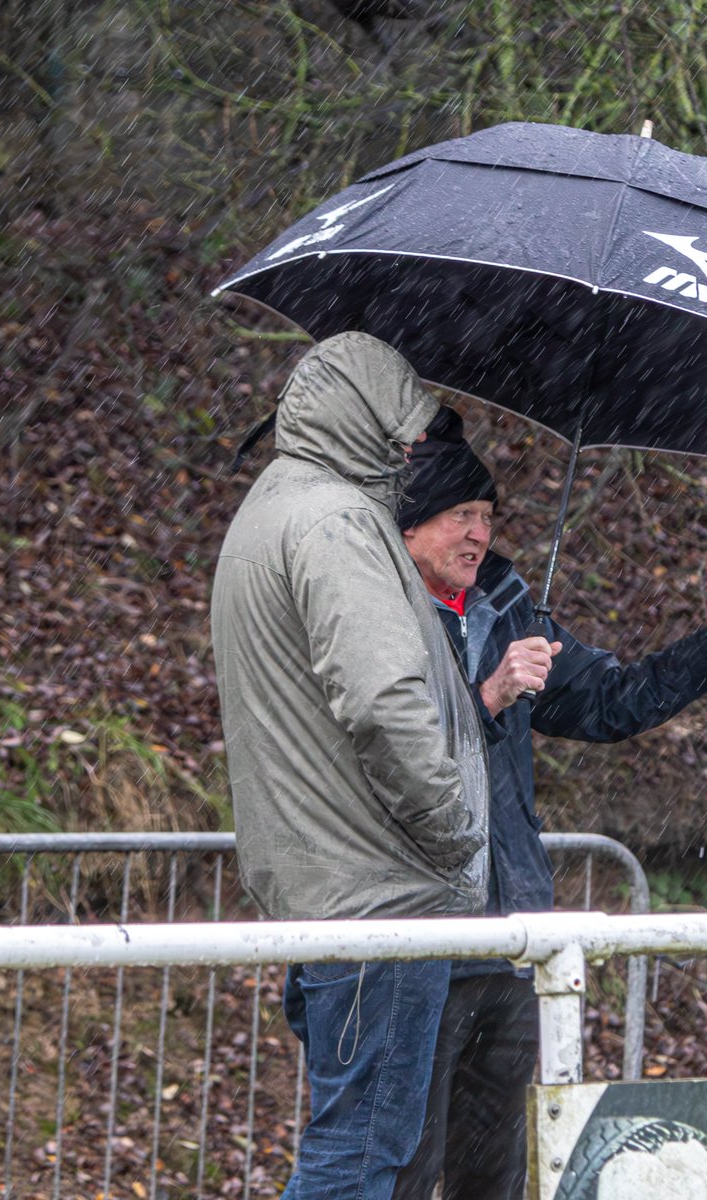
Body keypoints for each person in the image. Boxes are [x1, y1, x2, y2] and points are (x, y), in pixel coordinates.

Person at [392, 407, 707, 1200]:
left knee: (495, 1174)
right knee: (399, 1172)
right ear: (409, 524)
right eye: (461, 515)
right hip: (412, 941)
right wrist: (487, 698)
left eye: (487, 515)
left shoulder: (506, 608)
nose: (480, 534)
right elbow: (385, 757)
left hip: (511, 938)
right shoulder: (371, 613)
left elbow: (614, 701)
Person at [210, 334, 489, 1200]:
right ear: (363, 423)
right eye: (406, 437)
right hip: (380, 894)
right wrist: (453, 831)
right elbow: (380, 702)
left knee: (351, 1139)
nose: (412, 456)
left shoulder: (272, 509)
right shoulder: (338, 522)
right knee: (360, 1152)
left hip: (325, 883)